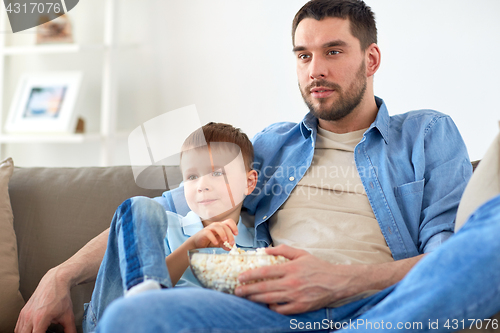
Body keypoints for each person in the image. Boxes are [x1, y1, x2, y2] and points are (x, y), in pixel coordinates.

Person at [12, 0, 485, 332]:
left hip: (382, 311)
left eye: (333, 51)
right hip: (269, 317)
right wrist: (59, 276)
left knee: (491, 235)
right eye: (303, 55)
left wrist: (339, 281)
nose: (315, 69)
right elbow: (163, 209)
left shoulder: (426, 134)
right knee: (133, 318)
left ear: (371, 58)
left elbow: (451, 260)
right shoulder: (272, 145)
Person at [82, 122, 259, 332]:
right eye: (192, 177)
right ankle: (144, 298)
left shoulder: (258, 245)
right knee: (141, 206)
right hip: (116, 315)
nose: (202, 185)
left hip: (181, 324)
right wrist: (192, 246)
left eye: (217, 173)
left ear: (249, 182)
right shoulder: (163, 226)